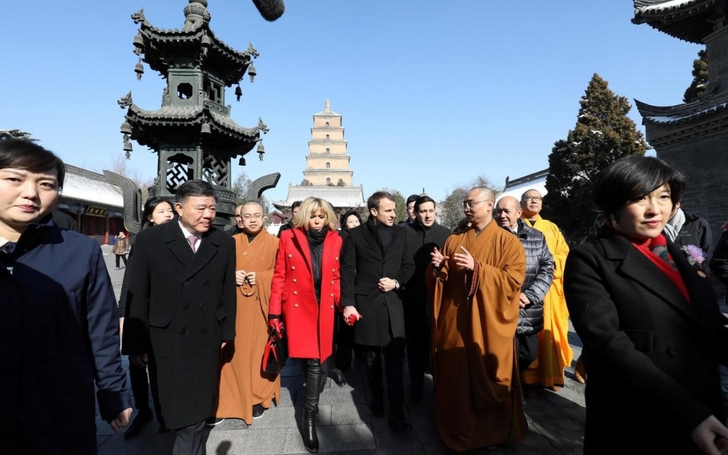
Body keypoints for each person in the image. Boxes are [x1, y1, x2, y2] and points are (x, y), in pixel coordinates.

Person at [564, 155, 728, 454]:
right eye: (639, 198)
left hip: (705, 407)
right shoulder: (590, 260)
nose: (655, 209)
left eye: (663, 196)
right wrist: (690, 414)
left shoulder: (683, 255)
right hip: (639, 417)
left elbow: (711, 326)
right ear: (614, 203)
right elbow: (611, 346)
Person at [0, 138, 131, 454]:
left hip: (58, 406)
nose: (30, 193)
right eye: (15, 179)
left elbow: (101, 330)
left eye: (46, 184)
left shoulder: (80, 251)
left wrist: (113, 392)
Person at [122, 179, 236, 455]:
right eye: (201, 208)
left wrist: (226, 332)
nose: (208, 214)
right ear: (179, 207)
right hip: (164, 335)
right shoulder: (151, 240)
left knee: (195, 414)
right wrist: (135, 344)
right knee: (169, 407)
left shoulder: (223, 241)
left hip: (206, 335)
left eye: (212, 208)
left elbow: (226, 292)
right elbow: (135, 293)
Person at [428, 187, 527, 451]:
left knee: (486, 374)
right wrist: (438, 267)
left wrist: (479, 270)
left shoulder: (509, 243)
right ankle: (454, 426)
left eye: (471, 203)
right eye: (464, 204)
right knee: (455, 373)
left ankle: (490, 434)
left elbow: (513, 282)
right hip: (455, 320)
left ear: (489, 205)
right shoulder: (454, 239)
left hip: (486, 324)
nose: (466, 208)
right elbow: (444, 278)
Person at [269, 197, 343, 453]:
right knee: (310, 359)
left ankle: (309, 413)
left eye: (321, 216)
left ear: (327, 217)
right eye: (313, 216)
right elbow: (280, 275)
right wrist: (274, 312)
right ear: (305, 217)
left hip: (324, 306)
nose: (317, 220)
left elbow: (336, 274)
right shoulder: (289, 237)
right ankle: (310, 413)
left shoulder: (336, 239)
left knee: (316, 360)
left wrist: (343, 304)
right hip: (298, 306)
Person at [341, 191, 415, 430]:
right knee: (372, 361)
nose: (394, 214)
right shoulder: (355, 236)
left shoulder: (401, 233)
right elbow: (347, 271)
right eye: (388, 210)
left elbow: (408, 265)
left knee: (395, 361)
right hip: (368, 305)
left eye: (394, 210)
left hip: (393, 305)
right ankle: (377, 398)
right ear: (373, 212)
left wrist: (397, 283)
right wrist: (349, 303)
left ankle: (397, 412)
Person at [213, 201, 280, 426]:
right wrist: (231, 276)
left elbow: (282, 276)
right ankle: (227, 400)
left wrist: (261, 277)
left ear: (264, 217)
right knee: (232, 355)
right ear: (239, 218)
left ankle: (256, 397)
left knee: (257, 353)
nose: (252, 220)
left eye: (257, 215)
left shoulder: (275, 244)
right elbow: (215, 274)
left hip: (261, 308)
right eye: (247, 216)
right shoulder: (229, 242)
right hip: (235, 308)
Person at [118, 196, 175, 439]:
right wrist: (124, 314)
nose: (168, 214)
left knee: (163, 365)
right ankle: (143, 409)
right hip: (143, 310)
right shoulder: (143, 239)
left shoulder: (181, 238)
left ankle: (165, 413)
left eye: (171, 210)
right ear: (150, 217)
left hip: (170, 312)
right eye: (162, 211)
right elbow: (131, 281)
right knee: (138, 363)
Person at [519, 188, 573, 390]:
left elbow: (564, 254)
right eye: (529, 198)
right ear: (521, 203)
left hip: (549, 291)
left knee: (550, 334)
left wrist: (548, 263)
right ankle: (528, 380)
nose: (534, 201)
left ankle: (550, 376)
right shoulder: (516, 225)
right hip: (527, 289)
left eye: (537, 198)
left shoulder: (551, 227)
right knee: (528, 335)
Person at [495, 196, 554, 376]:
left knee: (528, 354)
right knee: (497, 355)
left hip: (527, 308)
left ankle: (512, 384)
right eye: (499, 211)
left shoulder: (536, 237)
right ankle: (505, 393)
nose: (502, 215)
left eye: (507, 211)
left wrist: (531, 295)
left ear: (519, 213)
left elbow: (548, 267)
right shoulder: (491, 237)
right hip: (498, 307)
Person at [402, 195, 450, 404]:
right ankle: (416, 388)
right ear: (416, 213)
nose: (428, 215)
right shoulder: (404, 233)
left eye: (431, 210)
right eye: (423, 211)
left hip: (438, 298)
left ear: (435, 211)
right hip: (411, 298)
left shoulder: (446, 235)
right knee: (414, 348)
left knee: (438, 347)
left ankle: (441, 387)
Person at [330, 209, 363, 386]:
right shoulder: (340, 239)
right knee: (344, 329)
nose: (353, 225)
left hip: (361, 288)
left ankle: (359, 358)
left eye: (356, 222)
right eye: (350, 222)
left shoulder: (365, 238)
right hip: (342, 288)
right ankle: (342, 364)